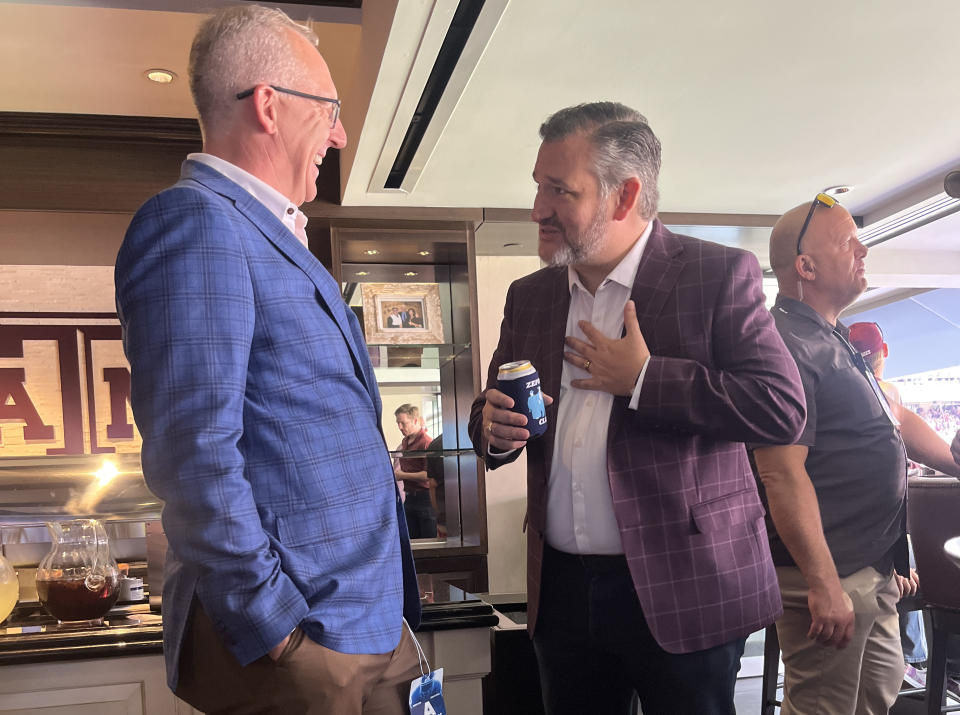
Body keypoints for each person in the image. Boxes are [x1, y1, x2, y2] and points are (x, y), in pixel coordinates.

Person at [114, 6, 420, 713]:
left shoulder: (268, 230)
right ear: (269, 107)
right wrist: (280, 635)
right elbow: (193, 457)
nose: (340, 135)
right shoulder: (195, 221)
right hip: (304, 641)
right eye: (332, 111)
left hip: (367, 620)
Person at [469, 101, 807, 715]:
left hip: (688, 583)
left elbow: (781, 407)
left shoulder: (717, 274)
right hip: (563, 592)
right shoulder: (531, 295)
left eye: (558, 190)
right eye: (537, 186)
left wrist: (646, 380)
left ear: (624, 197)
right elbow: (493, 406)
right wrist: (494, 429)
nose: (537, 209)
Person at [754, 196, 960, 715]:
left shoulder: (833, 338)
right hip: (828, 572)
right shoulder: (785, 345)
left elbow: (895, 420)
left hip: (871, 567)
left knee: (876, 693)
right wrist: (824, 585)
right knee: (822, 706)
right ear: (806, 266)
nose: (863, 248)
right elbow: (781, 473)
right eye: (848, 241)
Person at [848, 320, 960, 695]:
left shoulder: (877, 396)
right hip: (861, 556)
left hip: (874, 550)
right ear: (886, 352)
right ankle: (922, 663)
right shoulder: (876, 397)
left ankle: (922, 665)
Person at [393, 404, 437, 538]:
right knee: (411, 543)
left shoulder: (427, 443)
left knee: (427, 542)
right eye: (398, 423)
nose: (400, 427)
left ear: (415, 421)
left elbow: (428, 474)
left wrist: (402, 475)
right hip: (410, 498)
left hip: (425, 499)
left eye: (403, 423)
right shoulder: (405, 442)